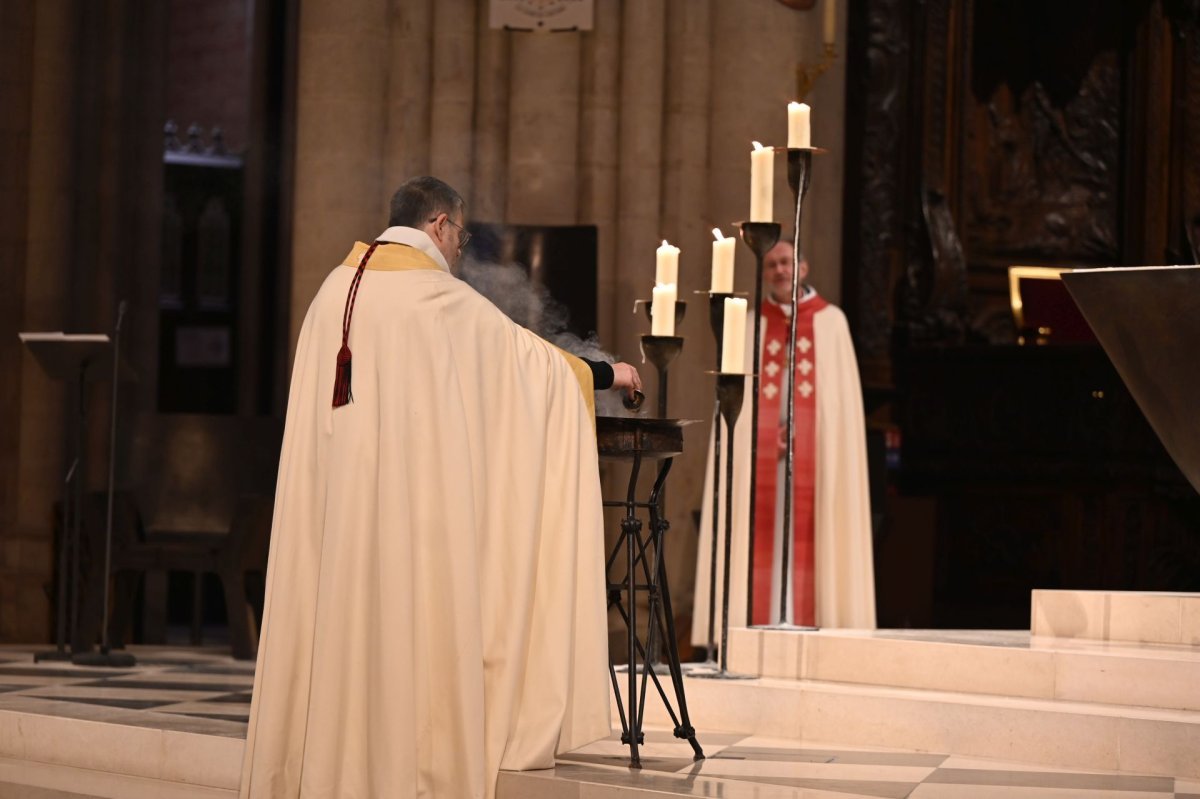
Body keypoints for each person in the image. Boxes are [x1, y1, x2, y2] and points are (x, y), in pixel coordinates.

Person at [240, 176, 634, 798]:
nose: (459, 253)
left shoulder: (332, 291)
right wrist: (610, 373)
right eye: (462, 238)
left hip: (340, 519)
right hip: (406, 524)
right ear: (441, 225)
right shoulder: (432, 295)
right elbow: (529, 367)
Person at [692, 240, 875, 645]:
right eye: (772, 264)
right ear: (764, 274)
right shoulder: (753, 326)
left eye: (787, 262)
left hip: (816, 460)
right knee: (760, 534)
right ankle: (755, 622)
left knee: (813, 533)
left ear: (804, 267)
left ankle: (808, 620)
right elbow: (736, 403)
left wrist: (810, 436)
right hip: (764, 461)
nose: (780, 270)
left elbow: (839, 404)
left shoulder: (833, 323)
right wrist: (760, 433)